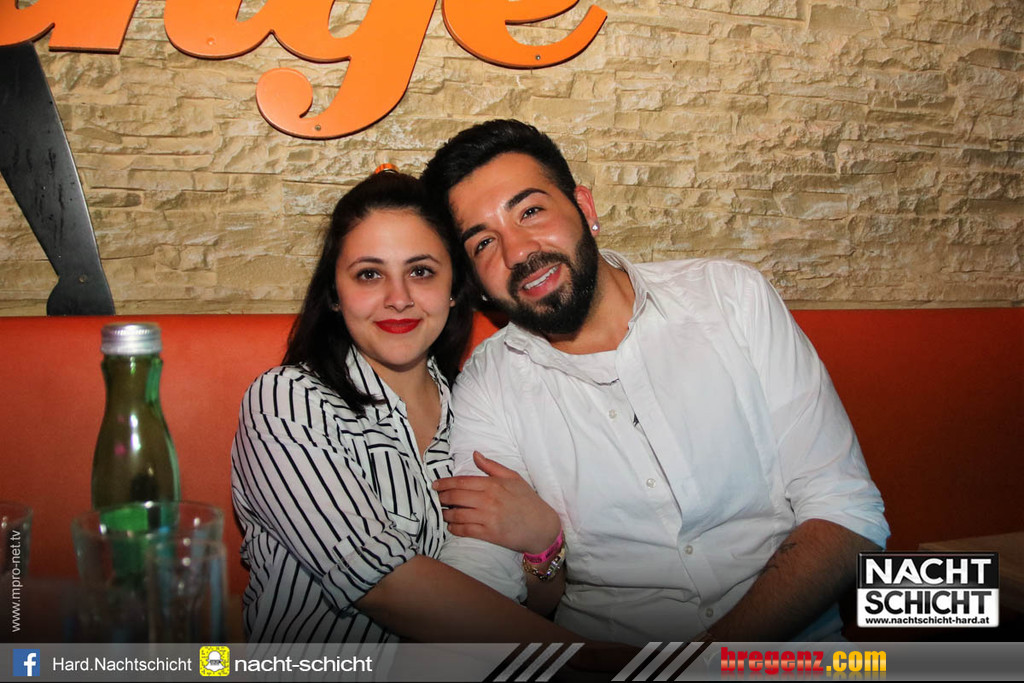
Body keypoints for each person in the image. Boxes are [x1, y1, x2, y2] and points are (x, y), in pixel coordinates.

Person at [422, 120, 890, 645]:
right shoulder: (487, 383)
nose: (517, 252)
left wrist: (702, 663)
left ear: (585, 207)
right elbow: (482, 562)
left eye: (530, 211)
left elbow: (846, 511)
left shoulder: (731, 299)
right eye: (484, 242)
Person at [230, 169, 583, 644]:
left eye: (420, 272)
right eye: (369, 274)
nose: (398, 299)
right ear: (334, 293)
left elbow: (529, 607)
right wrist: (583, 659)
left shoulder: (481, 409)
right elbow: (385, 587)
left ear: (454, 289)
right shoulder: (287, 401)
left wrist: (543, 542)